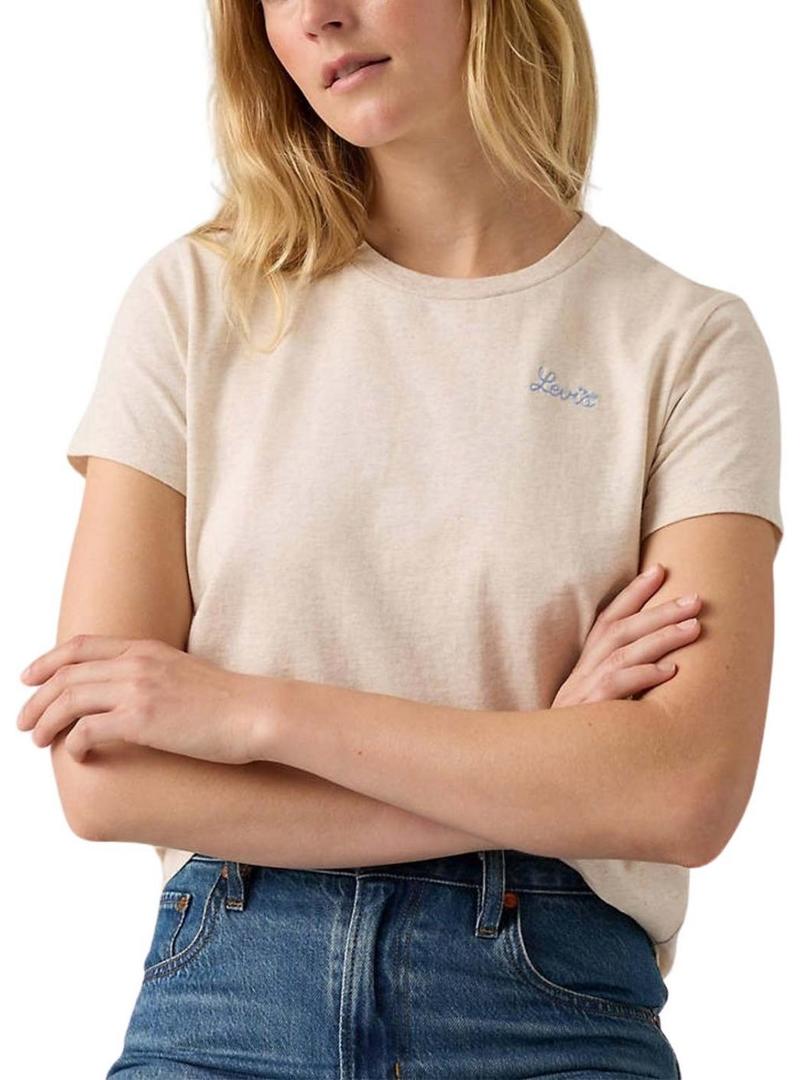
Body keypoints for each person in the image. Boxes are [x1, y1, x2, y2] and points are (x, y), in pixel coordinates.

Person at [19, 1, 782, 1076]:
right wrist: (539, 760)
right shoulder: (194, 300)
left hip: (547, 1011)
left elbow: (680, 793)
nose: (317, 16)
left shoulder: (684, 340)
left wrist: (246, 713)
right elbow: (106, 779)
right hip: (228, 997)